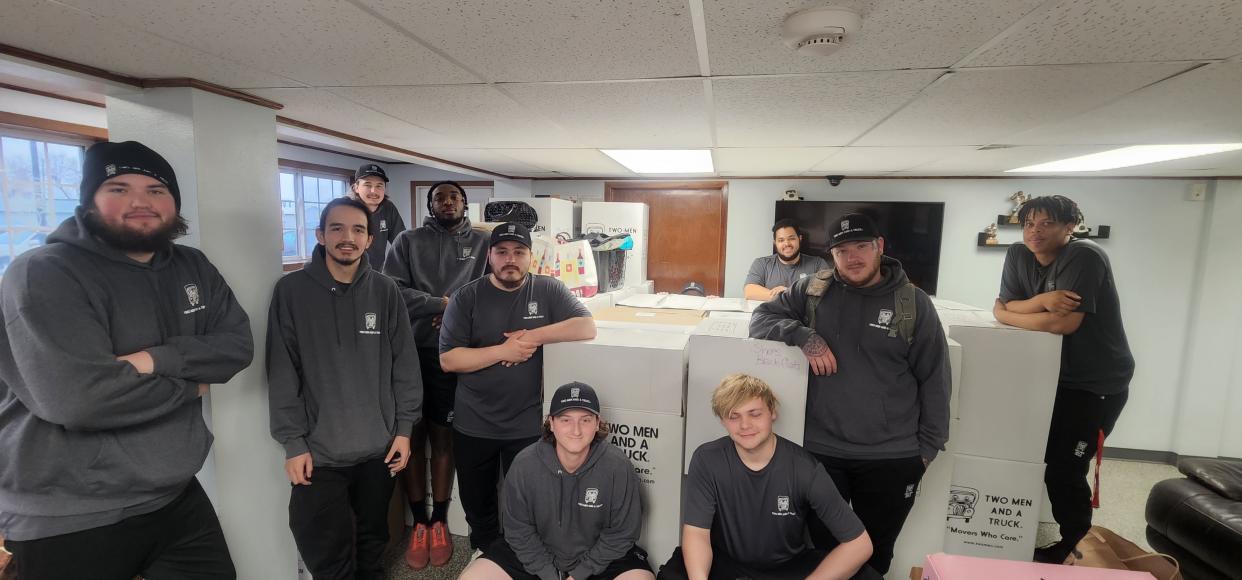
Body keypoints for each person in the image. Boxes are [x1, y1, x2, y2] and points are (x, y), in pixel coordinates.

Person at [0, 141, 253, 579]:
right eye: (118, 187)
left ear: (173, 201)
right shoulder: (45, 273)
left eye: (156, 190)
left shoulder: (192, 266)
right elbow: (79, 401)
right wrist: (192, 383)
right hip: (68, 511)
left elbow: (237, 346)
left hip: (173, 493)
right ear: (89, 199)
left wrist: (155, 359)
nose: (140, 201)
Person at [749, 212, 950, 574]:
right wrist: (803, 336)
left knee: (876, 554)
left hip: (893, 457)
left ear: (880, 248)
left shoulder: (913, 304)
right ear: (831, 255)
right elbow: (760, 319)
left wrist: (927, 450)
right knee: (826, 552)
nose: (853, 257)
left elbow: (935, 379)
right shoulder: (813, 289)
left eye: (862, 246)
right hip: (822, 453)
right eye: (842, 250)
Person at [267, 196, 422, 580]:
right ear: (320, 235)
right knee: (325, 551)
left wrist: (404, 431)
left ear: (370, 240)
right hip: (319, 454)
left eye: (357, 230)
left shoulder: (385, 291)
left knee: (372, 544)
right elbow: (282, 371)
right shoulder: (291, 292)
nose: (347, 238)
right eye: (336, 228)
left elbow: (405, 364)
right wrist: (293, 442)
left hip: (378, 449)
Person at [991, 195, 1133, 564]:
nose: (1035, 232)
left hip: (1095, 383)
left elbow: (1063, 323)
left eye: (1047, 224)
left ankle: (1074, 544)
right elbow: (1008, 301)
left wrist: (1008, 314)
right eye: (1029, 224)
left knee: (1066, 466)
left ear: (1070, 227)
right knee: (1041, 457)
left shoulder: (1084, 257)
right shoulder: (1019, 255)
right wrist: (1045, 299)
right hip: (1051, 377)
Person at [440, 222, 597, 554]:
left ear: (531, 257)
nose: (510, 259)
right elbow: (449, 360)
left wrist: (532, 336)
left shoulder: (548, 290)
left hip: (526, 423)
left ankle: (519, 556)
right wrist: (503, 351)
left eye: (519, 252)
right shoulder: (466, 297)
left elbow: (586, 326)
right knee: (477, 500)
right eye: (502, 252)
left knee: (525, 498)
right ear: (490, 256)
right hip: (474, 422)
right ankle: (484, 552)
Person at [658, 374, 878, 580]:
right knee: (672, 574)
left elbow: (860, 545)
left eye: (755, 414)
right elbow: (696, 533)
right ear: (723, 421)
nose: (745, 425)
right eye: (734, 416)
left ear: (772, 412)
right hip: (724, 562)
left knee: (868, 577)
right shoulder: (707, 459)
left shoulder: (805, 469)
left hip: (786, 567)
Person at [384, 179, 489, 568]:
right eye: (439, 197)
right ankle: (420, 523)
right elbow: (391, 288)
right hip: (411, 353)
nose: (447, 202)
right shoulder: (407, 242)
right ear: (429, 204)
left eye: (454, 197)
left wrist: (455, 311)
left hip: (456, 355)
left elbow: (488, 288)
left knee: (444, 438)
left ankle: (441, 519)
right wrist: (438, 303)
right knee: (412, 434)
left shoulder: (481, 243)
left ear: (465, 203)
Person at [461, 382, 653, 580]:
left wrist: (579, 575)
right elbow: (518, 531)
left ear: (597, 423)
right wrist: (548, 574)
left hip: (599, 559)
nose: (576, 430)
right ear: (551, 423)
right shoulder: (525, 464)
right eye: (565, 420)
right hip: (536, 556)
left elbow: (622, 533)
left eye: (585, 420)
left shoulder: (617, 466)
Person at [744, 219, 829, 301]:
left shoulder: (818, 264)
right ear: (775, 243)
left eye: (791, 238)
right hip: (772, 315)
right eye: (781, 240)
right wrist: (780, 296)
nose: (787, 244)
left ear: (799, 238)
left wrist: (788, 293)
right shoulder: (761, 264)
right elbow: (749, 291)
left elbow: (826, 291)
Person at [350, 163, 405, 270]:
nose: (373, 191)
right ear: (356, 187)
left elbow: (401, 242)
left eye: (379, 186)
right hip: (348, 274)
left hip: (377, 274)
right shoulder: (345, 209)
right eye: (368, 185)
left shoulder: (388, 208)